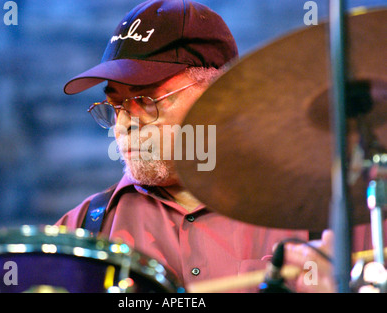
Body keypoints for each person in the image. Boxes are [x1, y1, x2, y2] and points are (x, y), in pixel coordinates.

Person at [56, 0, 370, 293]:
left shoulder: (334, 215)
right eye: (115, 104)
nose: (123, 124)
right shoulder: (80, 232)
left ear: (218, 95)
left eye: (143, 100)